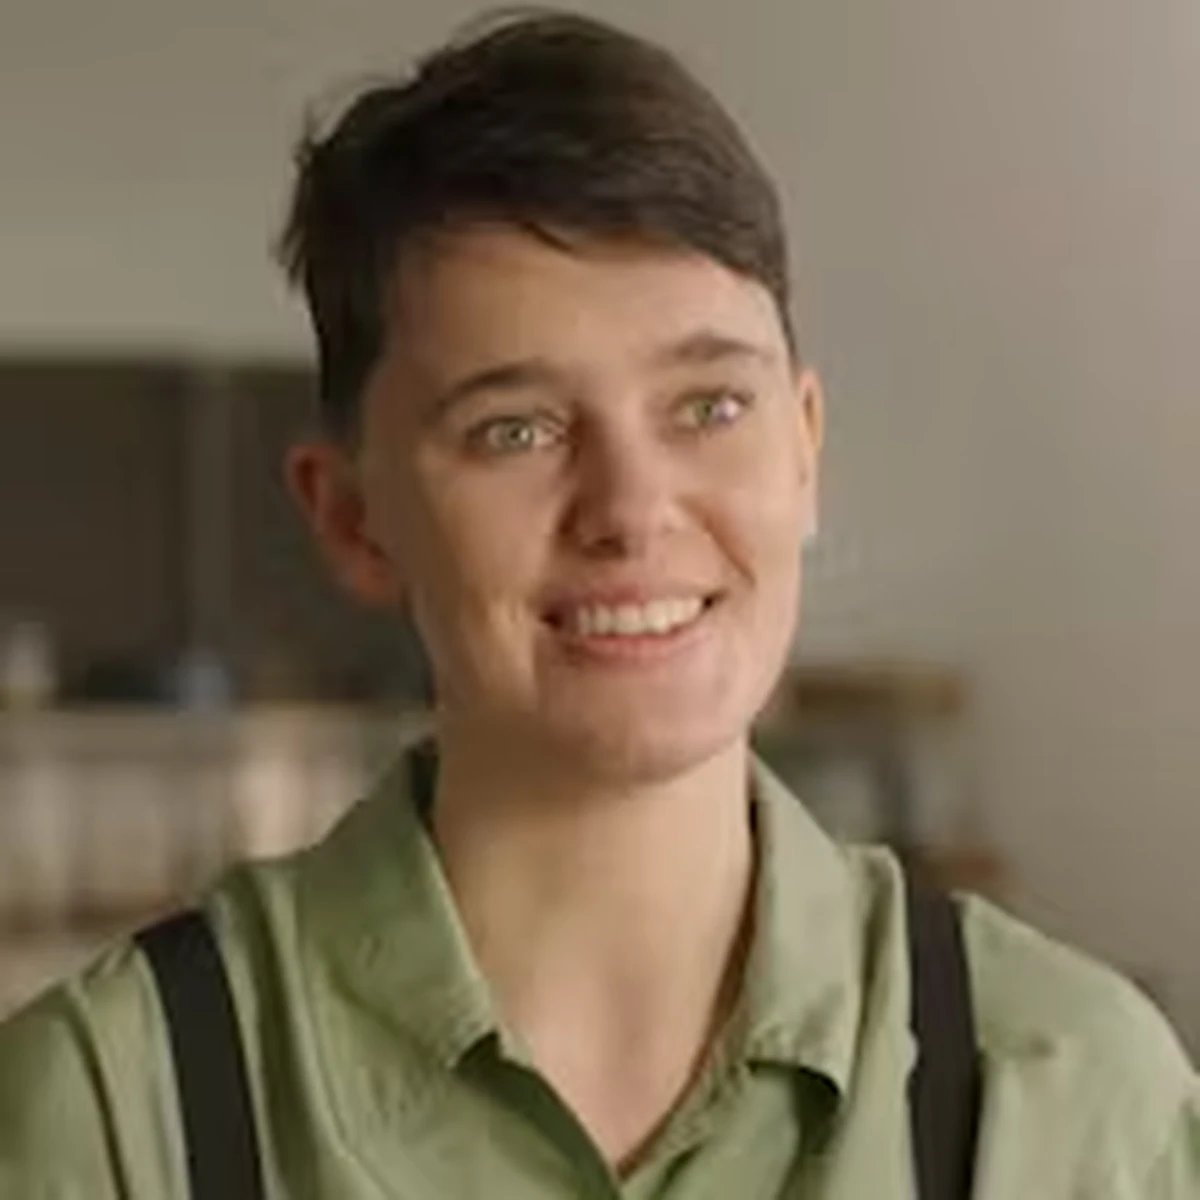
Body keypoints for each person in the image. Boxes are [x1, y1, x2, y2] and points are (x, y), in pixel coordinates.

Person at [1, 11, 1197, 1198]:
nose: (631, 509)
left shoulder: (1074, 1105)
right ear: (353, 520)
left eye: (709, 407)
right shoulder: (113, 1123)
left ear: (804, 451)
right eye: (515, 430)